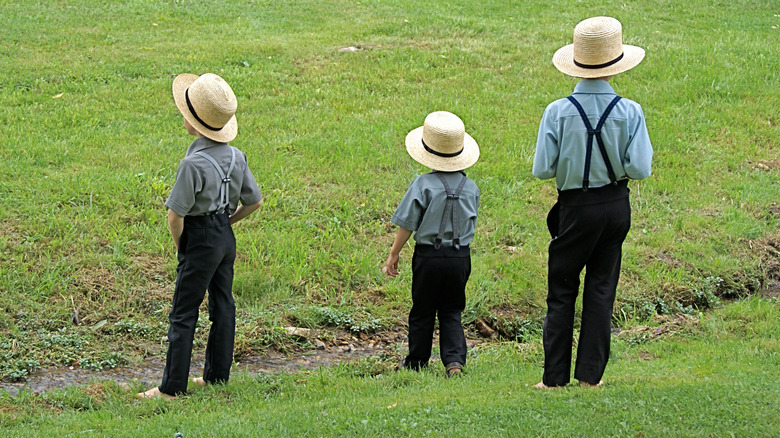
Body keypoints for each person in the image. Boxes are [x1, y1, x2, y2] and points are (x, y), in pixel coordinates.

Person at [532, 16, 653, 388]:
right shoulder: (630, 111)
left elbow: (542, 169)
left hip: (575, 206)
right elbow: (640, 168)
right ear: (616, 62)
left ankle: (554, 378)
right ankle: (591, 377)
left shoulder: (557, 111)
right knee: (602, 289)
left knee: (562, 288)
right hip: (615, 205)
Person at [140, 73, 263, 399]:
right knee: (223, 306)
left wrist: (184, 246)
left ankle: (171, 388)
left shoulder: (192, 164)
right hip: (224, 235)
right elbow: (255, 201)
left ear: (193, 122)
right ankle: (216, 378)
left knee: (184, 312)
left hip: (198, 237)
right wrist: (227, 223)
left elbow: (175, 215)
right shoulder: (237, 156)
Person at [383, 111, 480, 377]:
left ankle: (417, 362)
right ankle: (454, 362)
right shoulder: (471, 187)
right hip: (460, 256)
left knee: (423, 310)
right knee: (452, 310)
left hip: (428, 256)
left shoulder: (423, 184)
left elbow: (407, 223)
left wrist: (394, 253)